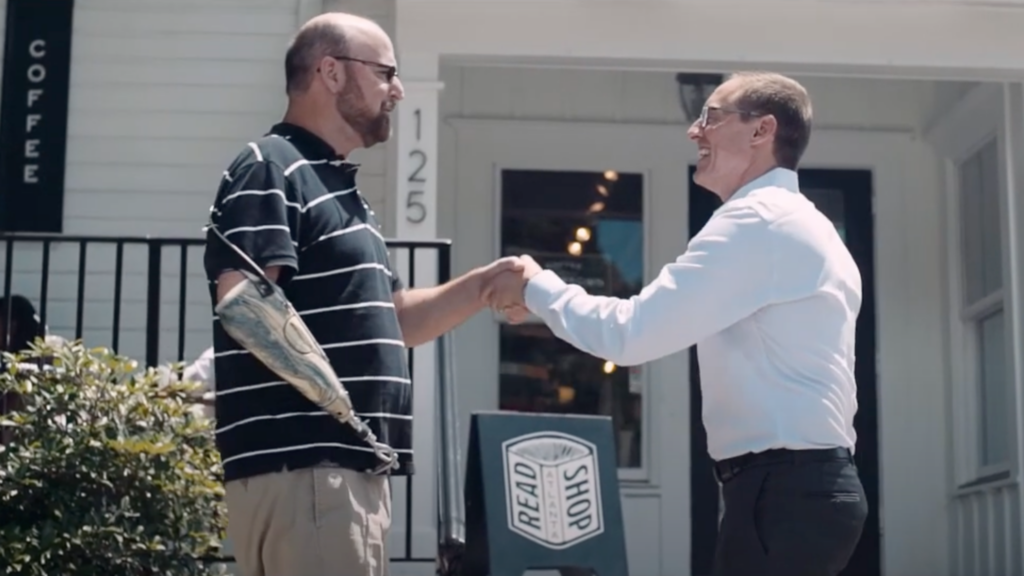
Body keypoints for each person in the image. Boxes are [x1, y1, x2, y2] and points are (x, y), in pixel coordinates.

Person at [485, 71, 868, 576]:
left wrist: (535, 285)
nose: (695, 131)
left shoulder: (758, 221)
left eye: (712, 116)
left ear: (762, 131)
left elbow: (631, 333)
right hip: (797, 488)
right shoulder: (798, 221)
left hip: (782, 490)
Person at [202, 12, 521, 576]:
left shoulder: (340, 191)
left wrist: (480, 286)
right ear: (330, 71)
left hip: (338, 475)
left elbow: (394, 321)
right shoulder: (271, 165)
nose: (396, 90)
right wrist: (341, 410)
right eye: (385, 73)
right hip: (309, 469)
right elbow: (244, 303)